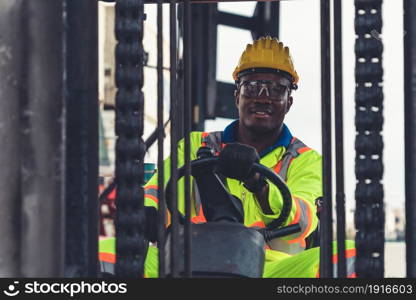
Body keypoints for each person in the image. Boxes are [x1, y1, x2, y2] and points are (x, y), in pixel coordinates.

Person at [99, 36, 356, 278]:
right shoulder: (195, 145)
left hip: (271, 270)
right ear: (237, 96)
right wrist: (144, 211)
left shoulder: (306, 160)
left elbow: (304, 218)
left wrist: (260, 184)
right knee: (105, 253)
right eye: (252, 86)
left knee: (351, 255)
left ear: (289, 102)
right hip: (189, 261)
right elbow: (159, 188)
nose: (263, 97)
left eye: (277, 90)